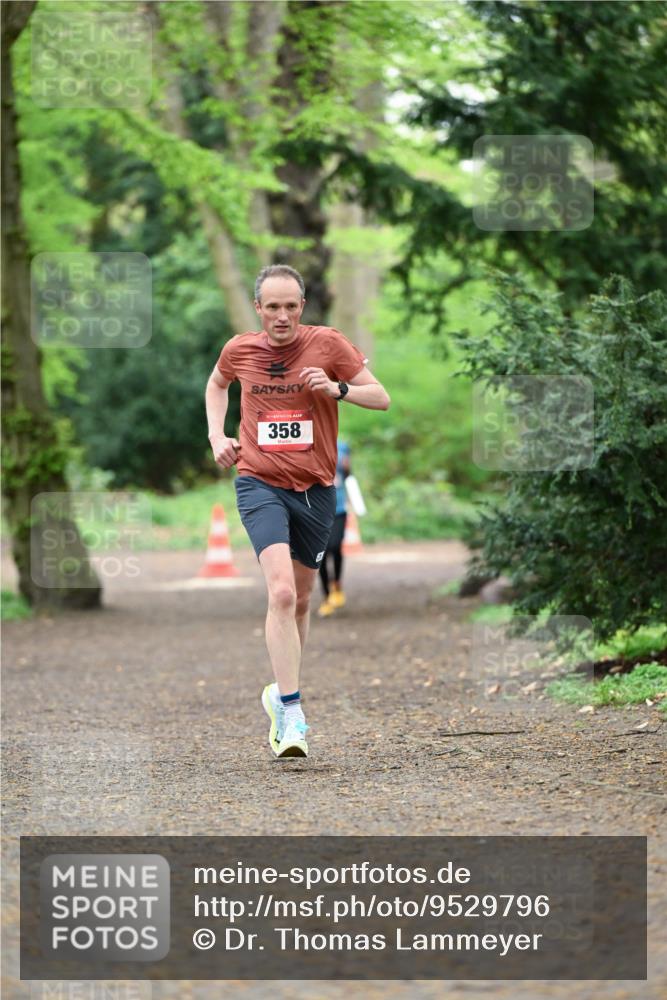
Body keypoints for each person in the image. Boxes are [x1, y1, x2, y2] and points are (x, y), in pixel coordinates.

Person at [205, 264, 390, 758]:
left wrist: (338, 390)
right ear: (258, 308)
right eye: (272, 307)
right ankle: (291, 712)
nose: (282, 316)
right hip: (259, 482)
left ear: (301, 308)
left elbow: (382, 396)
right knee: (282, 593)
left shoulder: (329, 344)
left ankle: (279, 692)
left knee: (303, 600)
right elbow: (217, 385)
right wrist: (217, 434)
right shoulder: (239, 349)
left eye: (291, 306)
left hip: (316, 490)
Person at [317, 440, 351, 618]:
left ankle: (337, 584)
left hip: (338, 507)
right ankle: (326, 597)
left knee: (335, 546)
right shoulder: (307, 440)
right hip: (316, 509)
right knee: (320, 553)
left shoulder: (343, 446)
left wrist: (346, 468)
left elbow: (347, 474)